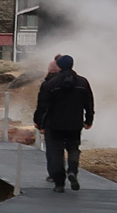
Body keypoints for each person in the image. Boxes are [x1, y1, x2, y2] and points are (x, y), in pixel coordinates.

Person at [33, 54, 94, 193]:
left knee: (56, 152)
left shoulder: (50, 84)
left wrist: (39, 122)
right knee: (73, 148)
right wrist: (89, 120)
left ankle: (59, 184)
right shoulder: (83, 82)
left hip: (54, 125)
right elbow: (88, 103)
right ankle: (72, 171)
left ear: (59, 66)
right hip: (75, 123)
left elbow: (43, 105)